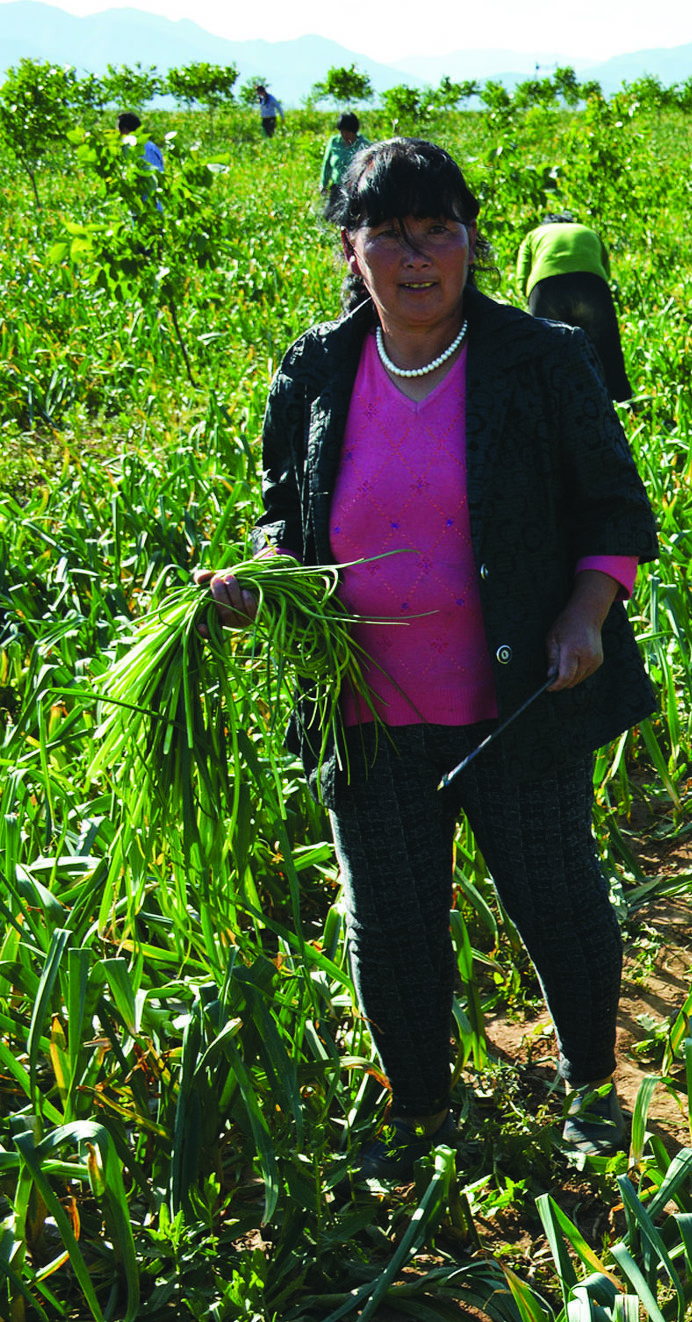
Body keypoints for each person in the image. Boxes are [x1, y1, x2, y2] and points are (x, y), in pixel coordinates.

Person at [203, 138, 659, 1184]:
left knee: (557, 898)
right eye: (389, 234)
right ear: (348, 251)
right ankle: (419, 1106)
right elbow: (286, 511)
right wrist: (261, 574)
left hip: (516, 701)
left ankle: (591, 1086)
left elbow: (613, 509)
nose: (418, 257)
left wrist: (585, 612)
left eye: (440, 230)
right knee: (391, 921)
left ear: (472, 242)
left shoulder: (539, 360)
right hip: (364, 708)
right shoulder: (317, 368)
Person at [518, 211, 631, 402]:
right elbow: (605, 271)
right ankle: (623, 404)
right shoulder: (588, 231)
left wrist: (532, 299)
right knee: (607, 350)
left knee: (544, 355)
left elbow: (522, 278)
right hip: (591, 286)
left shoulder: (534, 235)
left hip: (546, 289)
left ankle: (550, 406)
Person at [320, 112, 369, 196]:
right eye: (341, 132)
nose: (344, 135)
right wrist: (323, 184)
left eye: (347, 132)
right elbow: (327, 164)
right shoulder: (334, 142)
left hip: (356, 190)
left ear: (354, 131)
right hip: (337, 188)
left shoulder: (365, 145)